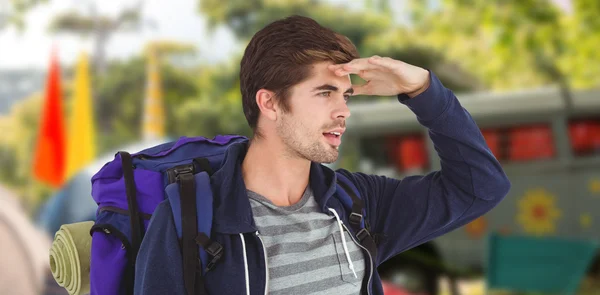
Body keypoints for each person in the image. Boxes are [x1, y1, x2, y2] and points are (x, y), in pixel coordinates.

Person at [134, 15, 510, 295]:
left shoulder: (356, 205)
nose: (344, 110)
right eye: (325, 92)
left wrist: (424, 91)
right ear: (269, 103)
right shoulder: (191, 216)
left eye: (345, 95)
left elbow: (480, 187)